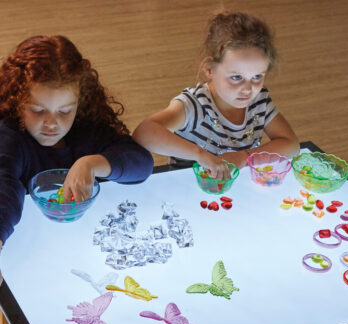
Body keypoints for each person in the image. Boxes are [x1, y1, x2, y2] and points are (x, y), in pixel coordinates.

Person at [0, 35, 154, 253]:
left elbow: (141, 163)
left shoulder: (87, 129)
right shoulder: (10, 136)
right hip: (31, 244)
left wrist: (91, 164)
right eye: (38, 110)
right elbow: (4, 187)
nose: (51, 123)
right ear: (17, 102)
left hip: (83, 241)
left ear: (80, 103)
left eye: (64, 111)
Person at [133, 11, 299, 180]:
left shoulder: (259, 101)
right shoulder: (194, 105)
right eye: (236, 77)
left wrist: (244, 157)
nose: (248, 89)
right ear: (210, 70)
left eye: (257, 76)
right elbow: (144, 132)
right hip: (188, 188)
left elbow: (291, 144)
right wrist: (200, 155)